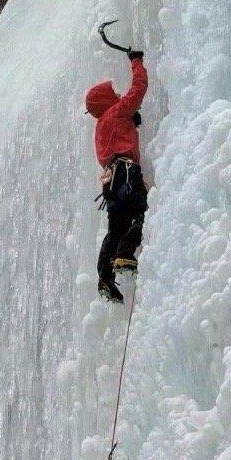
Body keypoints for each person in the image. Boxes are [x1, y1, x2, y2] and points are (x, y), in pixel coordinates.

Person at [85, 50, 148, 302]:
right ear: (106, 100)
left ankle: (105, 277)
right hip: (126, 172)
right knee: (142, 211)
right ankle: (125, 255)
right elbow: (138, 90)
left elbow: (117, 137)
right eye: (113, 94)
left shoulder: (101, 125)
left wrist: (130, 121)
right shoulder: (117, 111)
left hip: (110, 181)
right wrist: (136, 61)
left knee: (116, 227)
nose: (118, 95)